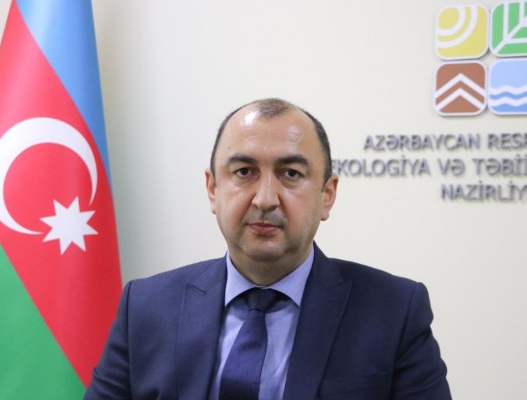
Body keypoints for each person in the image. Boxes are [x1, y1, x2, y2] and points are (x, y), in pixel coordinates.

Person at [85, 98, 452, 399]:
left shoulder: (394, 311)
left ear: (327, 195)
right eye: (244, 172)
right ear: (213, 189)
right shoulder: (145, 306)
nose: (265, 199)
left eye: (291, 174)